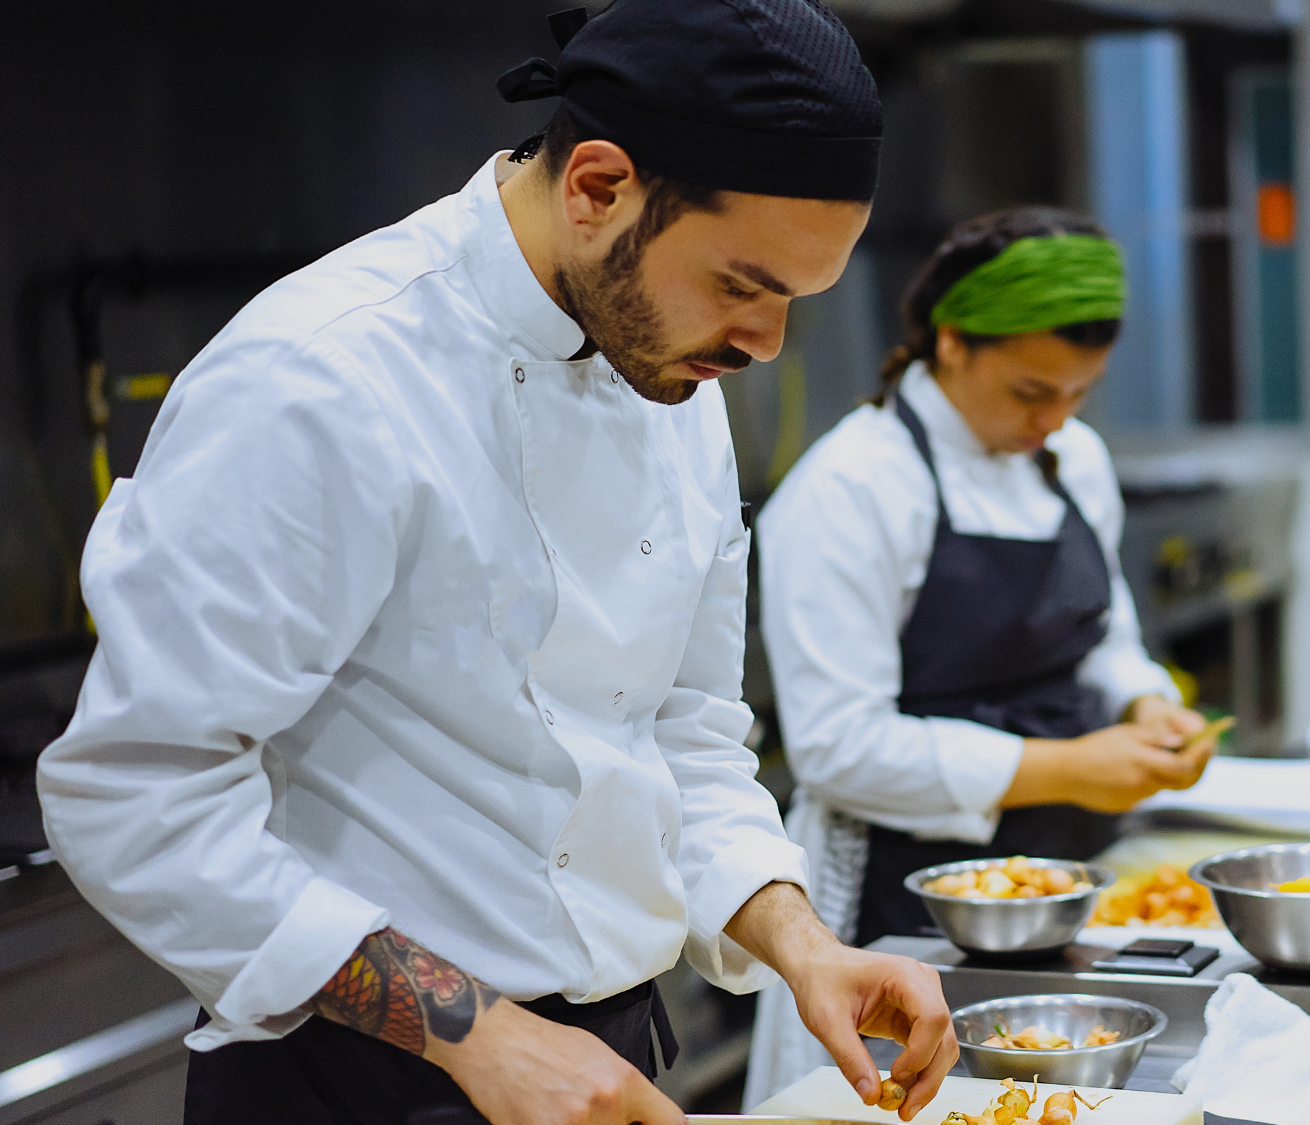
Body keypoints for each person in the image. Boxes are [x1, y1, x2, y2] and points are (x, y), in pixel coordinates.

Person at [35, 3, 957, 1123]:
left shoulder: (666, 362)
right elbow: (135, 792)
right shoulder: (320, 380)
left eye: (790, 304)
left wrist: (801, 943)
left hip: (603, 1061)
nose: (764, 346)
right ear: (597, 187)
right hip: (362, 1075)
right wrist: (481, 1034)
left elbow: (681, 731)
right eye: (741, 285)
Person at [744, 207, 1214, 1101]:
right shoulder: (854, 487)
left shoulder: (1072, 459)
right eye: (1033, 391)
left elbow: (1105, 633)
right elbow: (839, 748)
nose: (1057, 419)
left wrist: (1145, 703)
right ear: (952, 342)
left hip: (1066, 877)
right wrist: (1066, 765)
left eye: (1080, 393)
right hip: (899, 907)